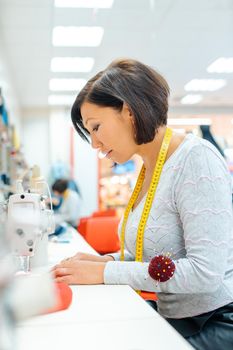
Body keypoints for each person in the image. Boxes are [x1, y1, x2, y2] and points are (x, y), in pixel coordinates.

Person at [52, 59, 233, 349]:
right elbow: (159, 256)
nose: (94, 144)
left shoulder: (196, 159)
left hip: (216, 321)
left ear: (129, 111)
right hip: (179, 318)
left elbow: (205, 273)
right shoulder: (149, 168)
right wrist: (108, 260)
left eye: (96, 127)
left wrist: (105, 272)